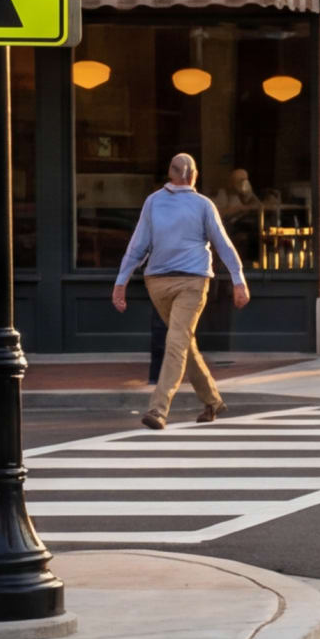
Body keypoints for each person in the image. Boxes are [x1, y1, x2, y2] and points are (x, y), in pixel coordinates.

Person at [111, 151, 251, 430]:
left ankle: (158, 409)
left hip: (189, 283)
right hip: (163, 284)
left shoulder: (165, 203)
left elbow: (137, 247)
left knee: (175, 343)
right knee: (184, 342)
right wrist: (239, 279)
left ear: (171, 173)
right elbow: (223, 244)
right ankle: (212, 401)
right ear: (194, 175)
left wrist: (121, 282)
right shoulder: (195, 204)